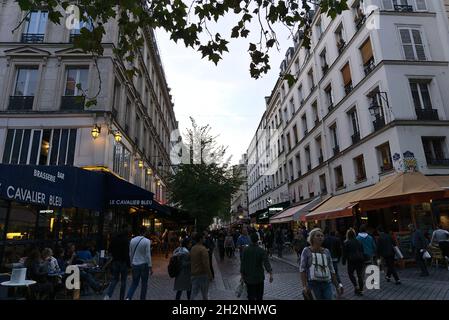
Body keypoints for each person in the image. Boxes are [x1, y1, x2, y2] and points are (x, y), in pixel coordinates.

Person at [299, 228, 343, 300]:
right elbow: (302, 269)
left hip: (327, 283)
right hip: (313, 284)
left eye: (322, 236)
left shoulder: (326, 251)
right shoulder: (306, 251)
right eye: (318, 235)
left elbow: (331, 270)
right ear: (312, 238)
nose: (320, 237)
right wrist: (304, 286)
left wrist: (337, 285)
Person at [240, 232, 273, 300]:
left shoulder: (245, 250)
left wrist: (242, 276)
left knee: (250, 296)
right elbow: (266, 263)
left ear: (250, 239)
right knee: (259, 297)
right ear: (257, 240)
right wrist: (271, 274)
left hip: (248, 278)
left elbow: (243, 264)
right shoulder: (261, 250)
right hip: (259, 277)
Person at [126, 226, 153, 300]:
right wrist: (150, 266)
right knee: (144, 284)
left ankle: (128, 297)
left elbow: (130, 253)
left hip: (135, 264)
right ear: (145, 232)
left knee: (134, 283)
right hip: (144, 264)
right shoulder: (147, 241)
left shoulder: (132, 240)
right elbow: (148, 255)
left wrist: (131, 263)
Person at [104, 228, 130, 300]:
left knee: (115, 279)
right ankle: (121, 297)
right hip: (123, 262)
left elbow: (109, 250)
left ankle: (108, 294)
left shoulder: (114, 240)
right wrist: (129, 264)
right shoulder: (125, 240)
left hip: (115, 261)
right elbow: (127, 253)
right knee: (123, 281)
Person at [342, 228, 365, 296]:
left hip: (351, 260)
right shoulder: (359, 241)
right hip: (360, 260)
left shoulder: (346, 243)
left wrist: (343, 261)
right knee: (359, 275)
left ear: (347, 235)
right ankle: (361, 290)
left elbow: (344, 253)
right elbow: (362, 251)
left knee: (350, 274)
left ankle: (356, 286)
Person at [190, 232, 212, 300]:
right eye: (204, 238)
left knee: (194, 293)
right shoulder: (203, 249)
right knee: (205, 294)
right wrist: (210, 274)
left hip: (194, 274)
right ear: (200, 239)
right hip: (202, 274)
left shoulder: (192, 248)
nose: (205, 239)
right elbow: (206, 264)